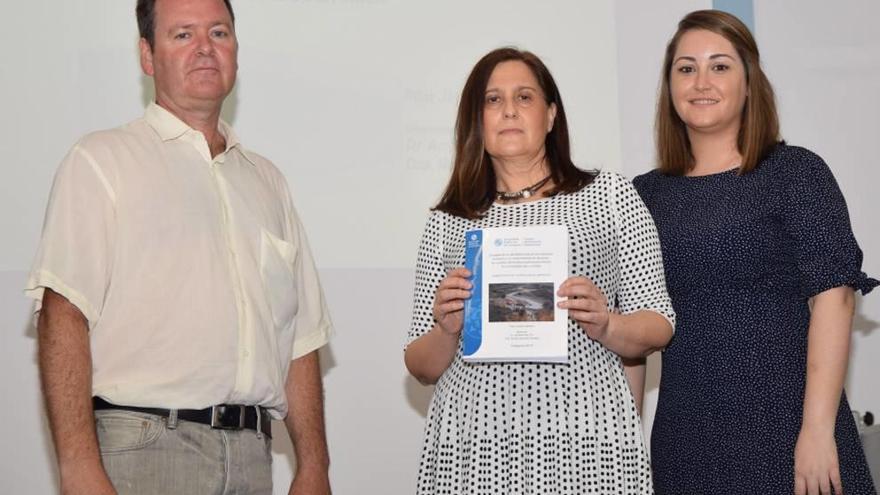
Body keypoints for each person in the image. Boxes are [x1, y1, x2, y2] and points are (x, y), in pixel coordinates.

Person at [26, 0, 334, 493]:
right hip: (142, 452)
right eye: (183, 35)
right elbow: (64, 313)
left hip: (253, 458)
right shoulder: (101, 161)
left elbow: (299, 338)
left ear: (236, 49)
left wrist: (315, 467)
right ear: (148, 56)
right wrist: (77, 465)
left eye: (218, 32)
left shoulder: (268, 182)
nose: (206, 49)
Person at [404, 47, 675, 494]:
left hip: (586, 438)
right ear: (476, 119)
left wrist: (607, 324)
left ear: (551, 115)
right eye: (492, 100)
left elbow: (659, 323)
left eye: (524, 97)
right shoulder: (448, 219)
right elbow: (420, 364)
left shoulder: (609, 196)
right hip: (476, 444)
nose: (508, 109)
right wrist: (448, 328)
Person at [633, 10, 878, 495]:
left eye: (720, 66)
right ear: (669, 86)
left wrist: (816, 430)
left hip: (789, 428)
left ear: (750, 83)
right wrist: (624, 445)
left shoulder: (795, 173)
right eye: (686, 68)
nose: (701, 81)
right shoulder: (644, 195)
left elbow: (835, 298)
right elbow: (634, 331)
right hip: (687, 439)